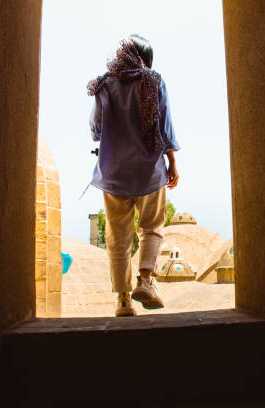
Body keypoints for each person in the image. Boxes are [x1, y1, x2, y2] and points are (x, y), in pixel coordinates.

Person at [87, 34, 180, 317]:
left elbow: (96, 128)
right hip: (149, 171)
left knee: (118, 238)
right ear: (144, 58)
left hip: (113, 174)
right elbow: (164, 127)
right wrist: (172, 162)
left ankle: (124, 301)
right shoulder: (153, 81)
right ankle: (146, 280)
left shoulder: (104, 84)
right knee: (151, 228)